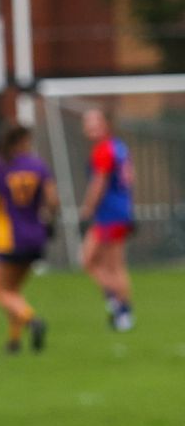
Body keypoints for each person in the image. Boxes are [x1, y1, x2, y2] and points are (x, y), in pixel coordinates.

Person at [0, 124, 59, 354]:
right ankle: (14, 341)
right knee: (14, 290)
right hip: (35, 235)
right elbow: (53, 201)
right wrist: (46, 219)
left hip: (9, 236)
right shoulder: (38, 166)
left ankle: (32, 320)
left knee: (1, 292)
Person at [78, 108, 135, 332]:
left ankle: (123, 310)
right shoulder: (119, 147)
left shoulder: (105, 150)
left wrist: (87, 210)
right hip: (116, 212)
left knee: (110, 265)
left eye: (95, 122)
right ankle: (117, 303)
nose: (90, 127)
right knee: (92, 261)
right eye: (87, 123)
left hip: (109, 214)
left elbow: (98, 184)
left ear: (106, 124)